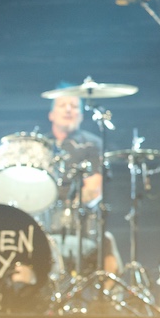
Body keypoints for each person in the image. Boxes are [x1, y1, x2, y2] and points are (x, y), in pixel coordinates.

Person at [45, 92, 123, 279]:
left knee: (107, 245)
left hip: (79, 219)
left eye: (74, 106)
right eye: (62, 105)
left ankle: (108, 295)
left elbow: (94, 188)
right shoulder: (41, 145)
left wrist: (69, 210)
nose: (68, 109)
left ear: (80, 115)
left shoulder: (92, 144)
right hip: (43, 214)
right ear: (51, 115)